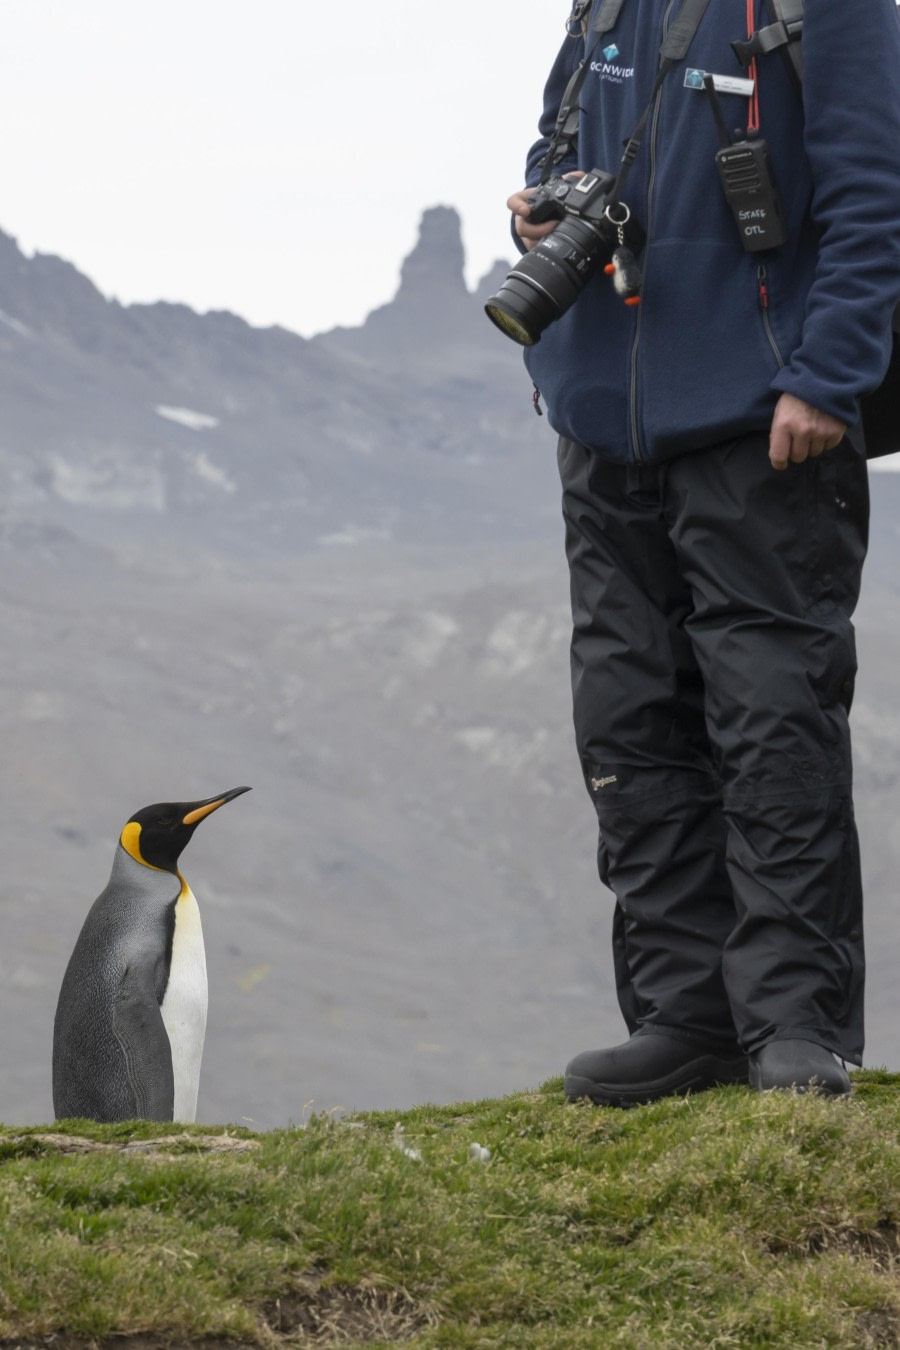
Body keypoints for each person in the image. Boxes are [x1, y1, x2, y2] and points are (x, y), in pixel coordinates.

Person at [505, 0, 900, 1103]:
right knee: (630, 717)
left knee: (772, 716)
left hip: (761, 415)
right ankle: (687, 1016)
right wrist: (539, 211)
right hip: (600, 414)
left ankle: (792, 1027)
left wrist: (832, 374)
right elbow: (559, 142)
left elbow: (877, 190)